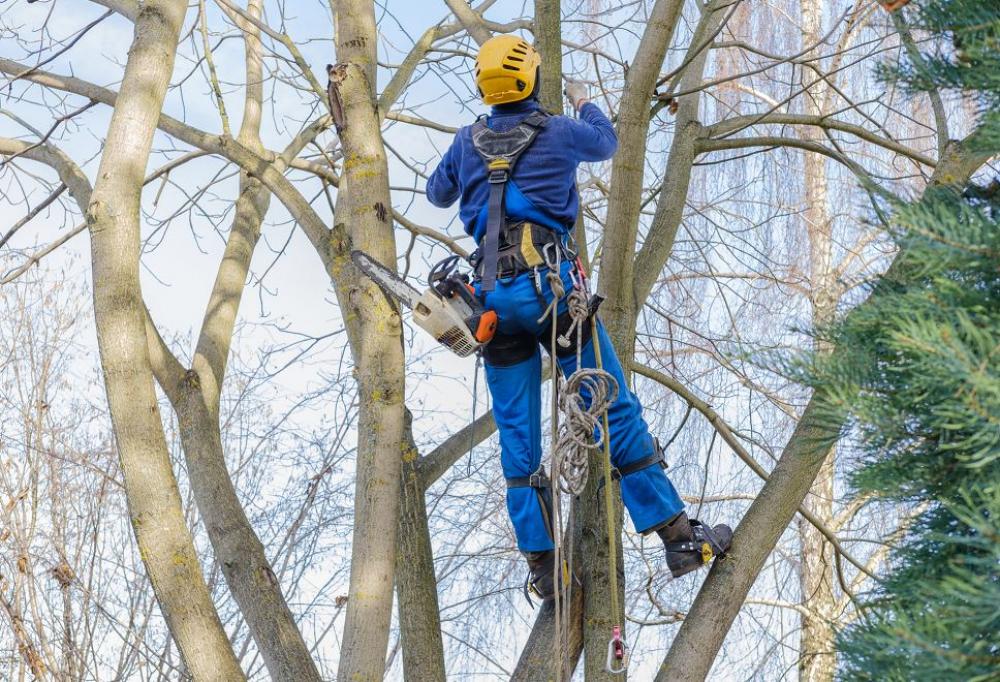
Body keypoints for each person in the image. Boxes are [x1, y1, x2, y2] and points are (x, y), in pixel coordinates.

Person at [426, 35, 731, 600]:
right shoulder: (559, 131)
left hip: (490, 302)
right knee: (610, 404)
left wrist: (467, 157)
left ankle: (544, 567)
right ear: (533, 81)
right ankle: (679, 537)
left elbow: (436, 193)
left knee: (518, 436)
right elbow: (607, 142)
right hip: (550, 291)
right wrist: (585, 100)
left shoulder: (465, 143)